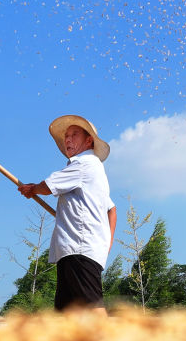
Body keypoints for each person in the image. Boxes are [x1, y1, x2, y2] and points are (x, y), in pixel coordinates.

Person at [18, 115, 117, 314]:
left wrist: (33, 189)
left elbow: (48, 186)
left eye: (74, 135)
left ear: (89, 140)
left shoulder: (83, 164)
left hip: (79, 249)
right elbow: (112, 209)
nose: (68, 140)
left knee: (93, 308)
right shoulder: (96, 169)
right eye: (66, 136)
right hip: (76, 250)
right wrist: (107, 241)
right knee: (66, 315)